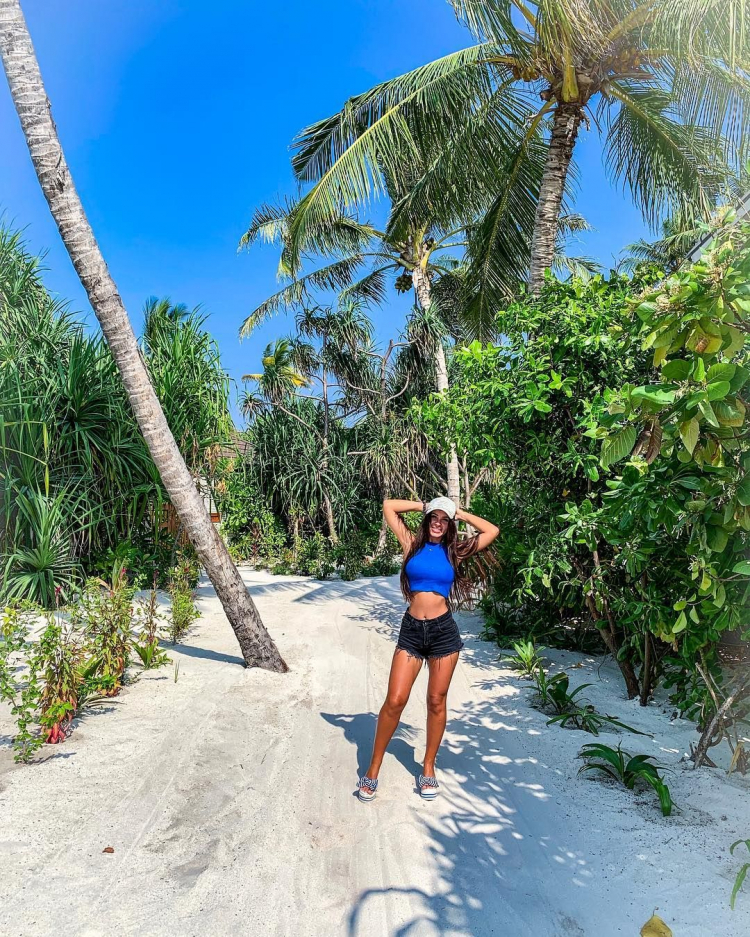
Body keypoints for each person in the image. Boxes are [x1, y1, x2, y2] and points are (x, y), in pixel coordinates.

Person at [357, 496, 499, 802]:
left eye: (443, 520)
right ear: (427, 520)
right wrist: (425, 505)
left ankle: (428, 767)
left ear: (449, 525)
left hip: (443, 633)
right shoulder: (411, 544)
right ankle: (373, 769)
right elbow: (388, 506)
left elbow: (491, 531)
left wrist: (457, 512)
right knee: (395, 700)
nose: (438, 523)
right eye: (434, 517)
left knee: (436, 701)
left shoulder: (454, 551)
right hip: (411, 630)